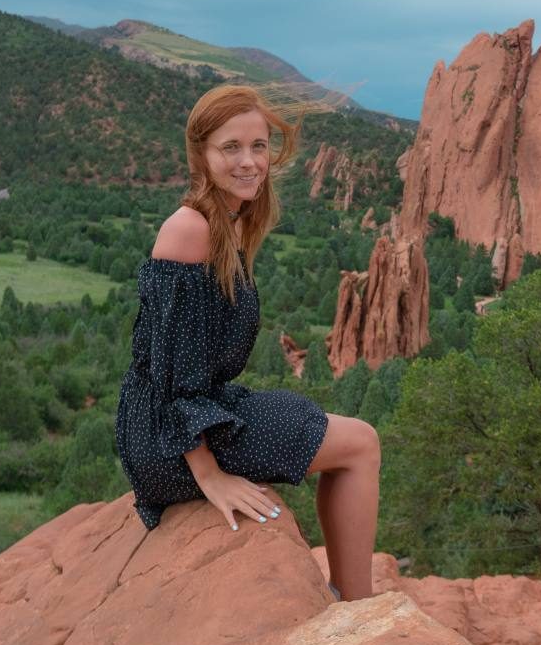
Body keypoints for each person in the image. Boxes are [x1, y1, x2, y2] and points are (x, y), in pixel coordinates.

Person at [114, 84, 380, 601]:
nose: (249, 161)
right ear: (201, 153)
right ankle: (356, 601)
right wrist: (210, 476)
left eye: (258, 146)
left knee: (323, 426)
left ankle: (349, 593)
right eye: (230, 147)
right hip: (168, 437)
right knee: (361, 444)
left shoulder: (230, 222)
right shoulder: (188, 230)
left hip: (195, 413)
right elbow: (170, 378)